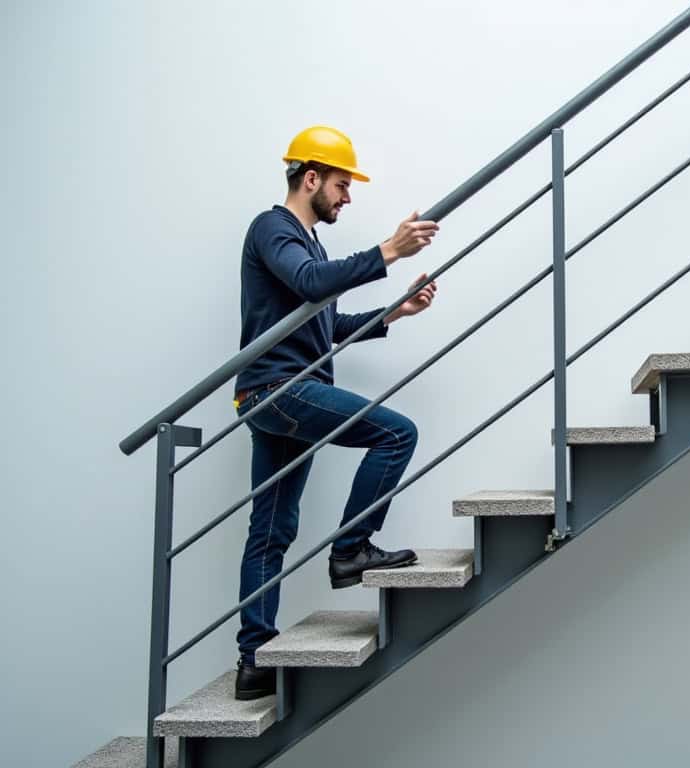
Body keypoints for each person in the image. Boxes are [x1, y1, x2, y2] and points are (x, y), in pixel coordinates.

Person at [231, 125, 440, 700]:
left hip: (283, 393)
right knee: (396, 434)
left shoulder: (312, 247)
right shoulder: (275, 230)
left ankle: (253, 663)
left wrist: (394, 313)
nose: (347, 197)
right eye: (343, 185)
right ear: (312, 178)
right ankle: (351, 549)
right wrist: (389, 251)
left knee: (272, 529)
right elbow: (307, 282)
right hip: (280, 389)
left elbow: (328, 327)